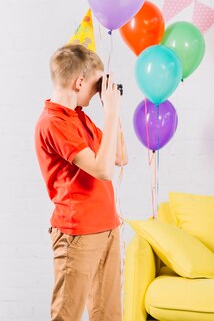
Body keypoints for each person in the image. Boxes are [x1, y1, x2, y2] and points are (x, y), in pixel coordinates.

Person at [34, 44, 126, 320]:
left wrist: (113, 111)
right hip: (77, 234)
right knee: (67, 314)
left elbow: (120, 156)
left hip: (107, 227)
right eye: (97, 85)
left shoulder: (79, 118)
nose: (100, 90)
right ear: (79, 82)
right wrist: (109, 113)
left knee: (107, 314)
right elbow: (103, 170)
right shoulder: (52, 123)